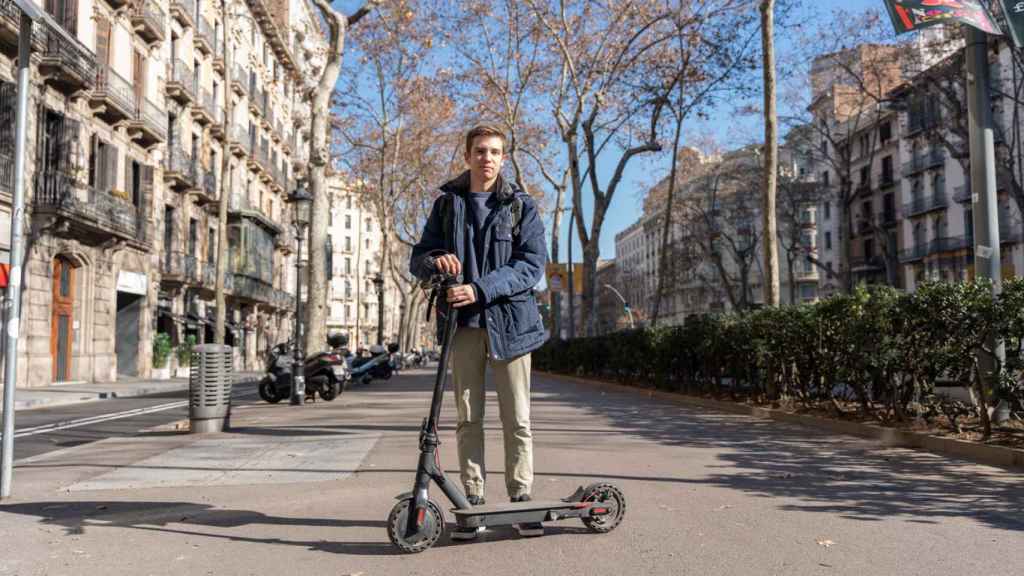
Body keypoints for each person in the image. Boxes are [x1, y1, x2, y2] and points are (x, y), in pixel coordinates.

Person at [410, 124, 549, 539]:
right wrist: (437, 261)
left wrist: (479, 288)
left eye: (495, 151)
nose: (487, 158)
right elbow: (419, 258)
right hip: (462, 326)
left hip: (512, 325)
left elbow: (531, 266)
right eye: (480, 151)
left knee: (517, 417)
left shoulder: (521, 206)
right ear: (467, 155)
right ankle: (472, 502)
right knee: (468, 418)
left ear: (503, 158)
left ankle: (523, 499)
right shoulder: (446, 206)